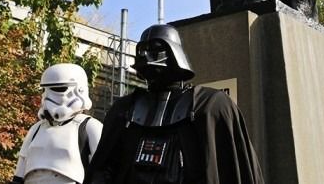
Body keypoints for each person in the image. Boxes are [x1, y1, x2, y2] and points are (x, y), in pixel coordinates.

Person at [84, 24, 264, 184]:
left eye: (155, 49)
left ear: (174, 53)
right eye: (142, 50)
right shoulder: (124, 110)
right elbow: (103, 168)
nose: (145, 56)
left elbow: (232, 169)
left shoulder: (210, 106)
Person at [11, 63, 103, 184]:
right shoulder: (36, 129)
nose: (47, 96)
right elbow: (19, 172)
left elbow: (103, 169)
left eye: (59, 89)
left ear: (79, 90)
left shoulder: (89, 127)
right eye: (44, 90)